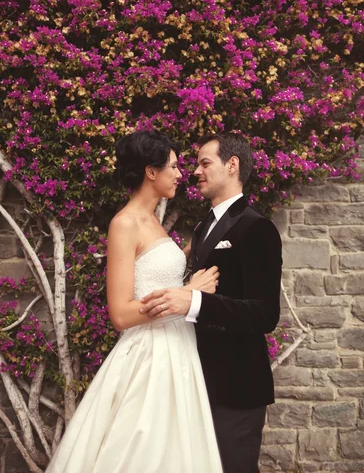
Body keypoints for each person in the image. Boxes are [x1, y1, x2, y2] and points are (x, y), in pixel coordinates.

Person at [46, 130, 223, 473]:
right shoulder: (124, 224)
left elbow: (161, 277)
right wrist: (188, 294)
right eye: (172, 167)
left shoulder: (154, 221)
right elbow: (122, 314)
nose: (179, 174)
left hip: (179, 349)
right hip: (149, 357)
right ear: (150, 172)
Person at [140, 133, 283, 473]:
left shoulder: (257, 228)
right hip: (195, 377)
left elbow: (265, 314)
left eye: (205, 163)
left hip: (236, 385)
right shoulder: (204, 227)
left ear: (232, 165)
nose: (195, 171)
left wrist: (195, 302)